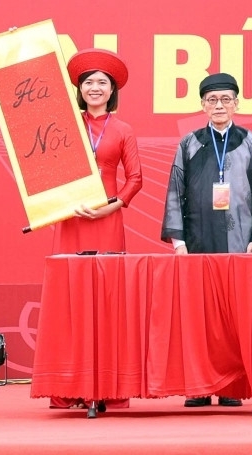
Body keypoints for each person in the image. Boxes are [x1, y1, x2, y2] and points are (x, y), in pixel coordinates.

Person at [160, 72, 252, 408]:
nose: (219, 105)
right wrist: (178, 240)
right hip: (197, 240)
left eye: (226, 99)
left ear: (237, 104)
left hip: (240, 240)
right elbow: (175, 192)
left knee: (234, 314)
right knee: (198, 314)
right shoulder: (189, 143)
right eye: (212, 100)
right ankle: (198, 386)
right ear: (202, 105)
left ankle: (231, 387)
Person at [50, 48, 144, 409]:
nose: (95, 88)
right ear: (79, 89)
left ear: (112, 91)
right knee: (70, 301)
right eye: (88, 82)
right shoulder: (63, 125)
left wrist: (110, 207)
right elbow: (46, 170)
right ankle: (69, 387)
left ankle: (110, 388)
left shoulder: (123, 130)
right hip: (70, 218)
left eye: (102, 83)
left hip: (106, 220)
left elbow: (135, 179)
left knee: (108, 301)